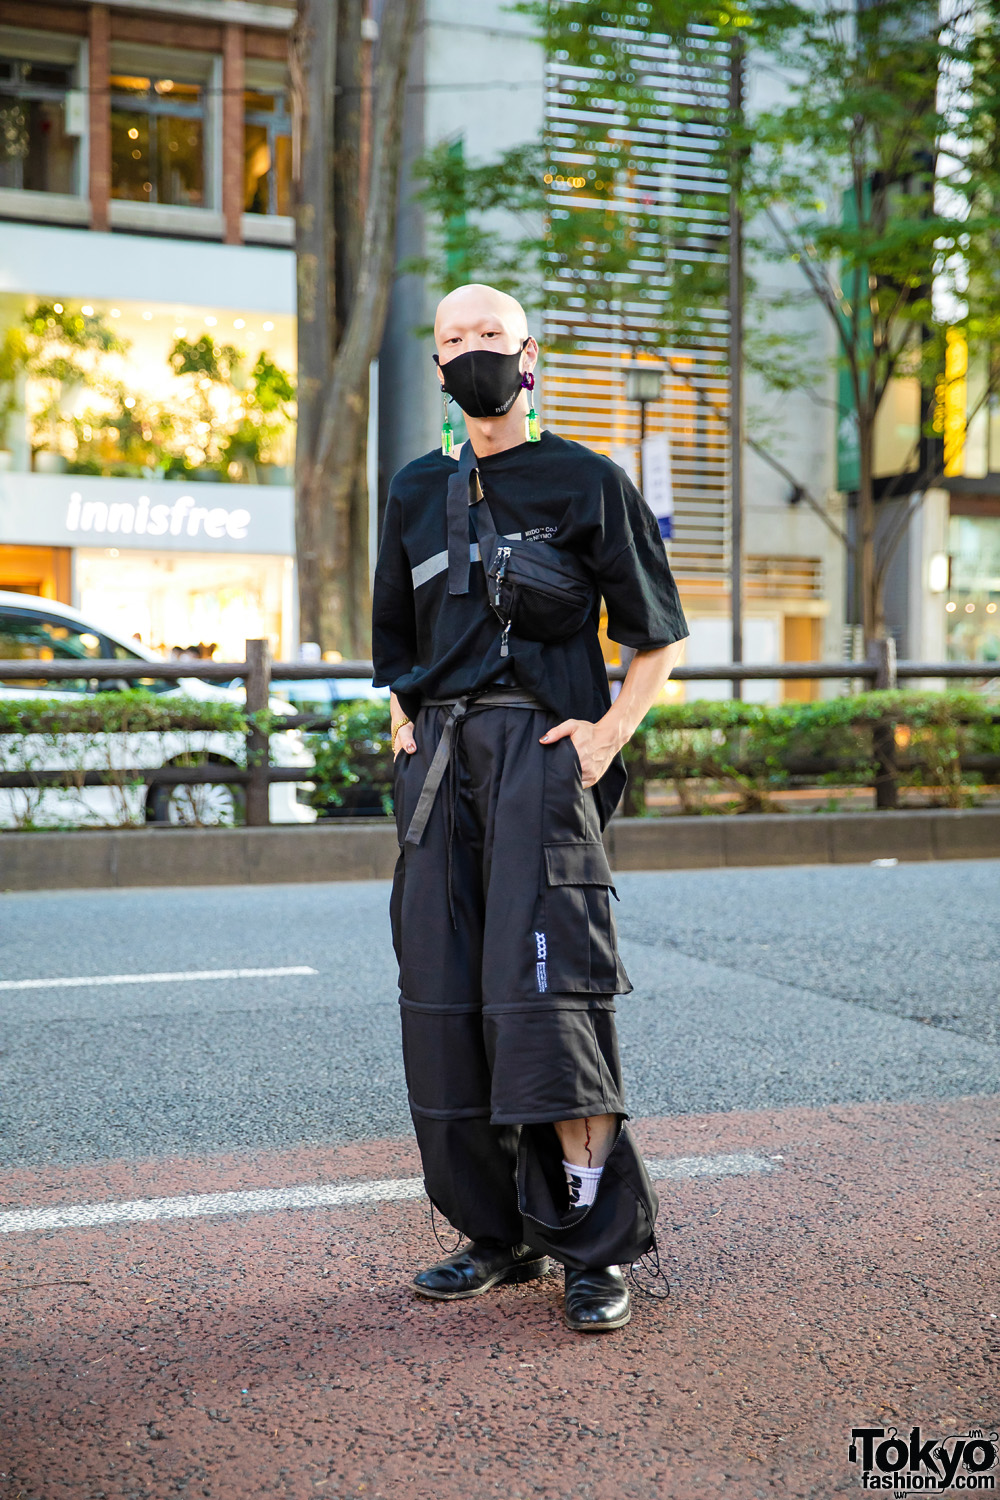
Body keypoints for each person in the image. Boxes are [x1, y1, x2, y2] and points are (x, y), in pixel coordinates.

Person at [372, 283, 689, 1332]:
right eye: (453, 340)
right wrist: (405, 720)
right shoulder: (415, 491)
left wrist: (606, 733)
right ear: (436, 367)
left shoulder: (586, 478)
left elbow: (658, 636)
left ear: (528, 356)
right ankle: (494, 1235)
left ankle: (592, 1249)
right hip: (442, 770)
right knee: (443, 1007)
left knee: (548, 1004)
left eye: (489, 338)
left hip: (542, 761)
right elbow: (396, 643)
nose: (472, 353)